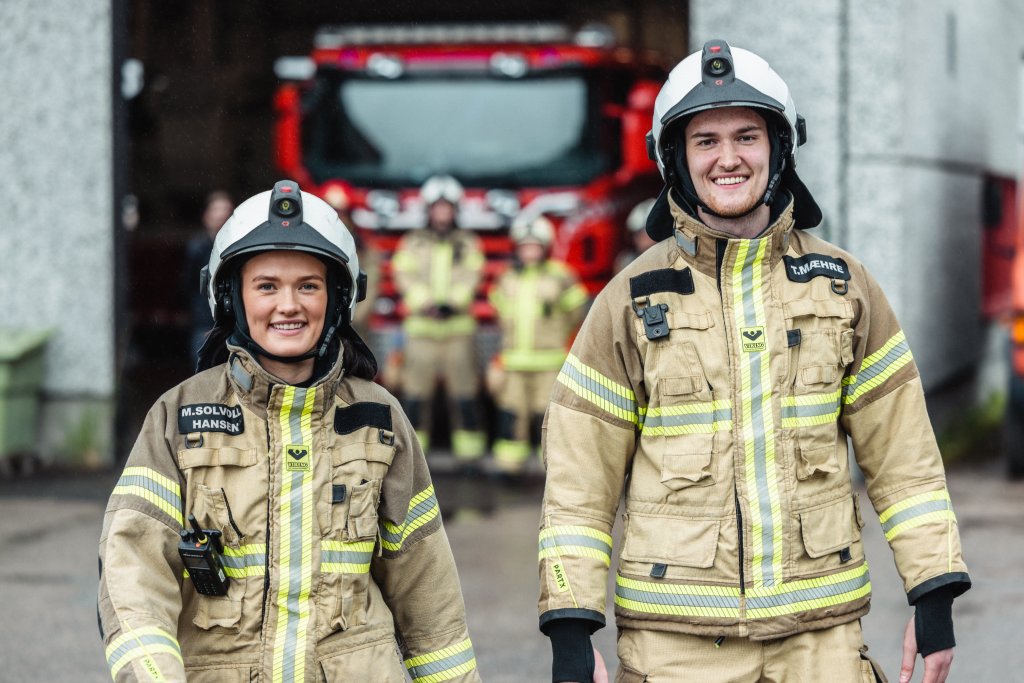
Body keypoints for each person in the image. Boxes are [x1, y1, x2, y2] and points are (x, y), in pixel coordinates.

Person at [537, 39, 970, 683]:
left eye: (747, 136)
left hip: (818, 639)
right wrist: (571, 626)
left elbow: (904, 459)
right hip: (673, 647)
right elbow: (578, 484)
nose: (729, 158)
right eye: (704, 141)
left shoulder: (843, 287)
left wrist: (933, 594)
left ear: (780, 149)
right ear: (676, 160)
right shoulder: (626, 301)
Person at [98, 181, 480, 683]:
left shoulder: (380, 418)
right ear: (231, 297)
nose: (288, 305)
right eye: (266, 286)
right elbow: (133, 571)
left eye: (308, 285)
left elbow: (427, 592)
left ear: (338, 298)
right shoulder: (179, 415)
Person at [392, 175, 486, 461]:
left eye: (448, 207)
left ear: (455, 210)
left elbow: (474, 275)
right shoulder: (412, 243)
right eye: (437, 207)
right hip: (422, 330)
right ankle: (413, 456)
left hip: (458, 330)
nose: (442, 213)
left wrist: (454, 302)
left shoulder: (468, 243)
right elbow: (402, 275)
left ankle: (469, 456)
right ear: (428, 210)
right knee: (416, 396)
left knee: (465, 394)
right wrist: (426, 303)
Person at [488, 215, 589, 474]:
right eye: (524, 246)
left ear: (545, 247)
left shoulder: (561, 277)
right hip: (513, 364)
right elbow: (499, 315)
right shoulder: (506, 278)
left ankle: (555, 469)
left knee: (548, 417)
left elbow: (577, 314)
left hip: (549, 363)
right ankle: (509, 466)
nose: (529, 251)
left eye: (534, 246)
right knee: (512, 414)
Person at [183, 190, 234, 362]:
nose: (221, 215)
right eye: (216, 210)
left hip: (233, 323)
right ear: (206, 216)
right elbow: (189, 285)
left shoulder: (237, 250)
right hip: (204, 322)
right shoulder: (196, 248)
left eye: (226, 211)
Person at [613, 198, 658, 273]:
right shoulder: (627, 263)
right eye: (636, 234)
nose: (639, 239)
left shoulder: (676, 255)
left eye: (642, 232)